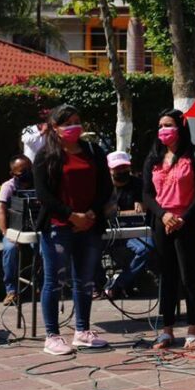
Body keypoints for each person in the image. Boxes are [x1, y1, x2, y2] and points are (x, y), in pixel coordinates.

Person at [31, 104, 111, 355]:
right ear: (55, 127)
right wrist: (71, 215)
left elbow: (106, 187)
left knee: (84, 281)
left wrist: (90, 213)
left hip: (89, 224)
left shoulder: (93, 151)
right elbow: (43, 194)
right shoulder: (45, 155)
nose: (74, 126)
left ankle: (82, 331)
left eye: (77, 121)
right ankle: (52, 335)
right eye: (67, 123)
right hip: (57, 227)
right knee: (54, 281)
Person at [142, 109, 195, 350]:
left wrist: (184, 217)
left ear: (180, 127)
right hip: (162, 222)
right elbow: (147, 194)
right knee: (167, 277)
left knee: (188, 276)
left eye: (169, 125)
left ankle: (192, 329)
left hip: (187, 222)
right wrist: (163, 215)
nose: (164, 130)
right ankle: (166, 329)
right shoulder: (153, 157)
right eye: (161, 125)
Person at [104, 151, 153, 300]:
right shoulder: (104, 187)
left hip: (134, 230)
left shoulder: (138, 184)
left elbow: (148, 205)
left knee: (147, 249)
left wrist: (144, 205)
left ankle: (119, 284)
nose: (121, 171)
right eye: (117, 168)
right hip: (108, 231)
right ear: (110, 170)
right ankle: (99, 284)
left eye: (124, 167)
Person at [0, 155, 34, 306]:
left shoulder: (39, 184)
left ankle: (44, 286)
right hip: (14, 230)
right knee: (10, 249)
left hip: (36, 230)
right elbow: (0, 210)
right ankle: (11, 291)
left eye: (29, 169)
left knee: (45, 249)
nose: (28, 173)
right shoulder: (9, 186)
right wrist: (5, 232)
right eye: (23, 171)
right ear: (13, 173)